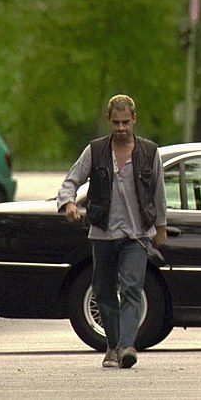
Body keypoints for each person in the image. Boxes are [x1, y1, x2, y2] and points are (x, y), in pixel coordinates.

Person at [57, 94, 167, 369]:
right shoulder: (95, 151)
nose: (121, 128)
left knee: (132, 289)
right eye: (116, 122)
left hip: (137, 234)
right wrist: (69, 203)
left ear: (134, 120)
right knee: (104, 292)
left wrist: (161, 227)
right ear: (109, 120)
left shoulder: (149, 152)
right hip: (103, 233)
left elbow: (158, 192)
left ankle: (127, 346)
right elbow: (71, 181)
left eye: (126, 122)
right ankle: (113, 346)